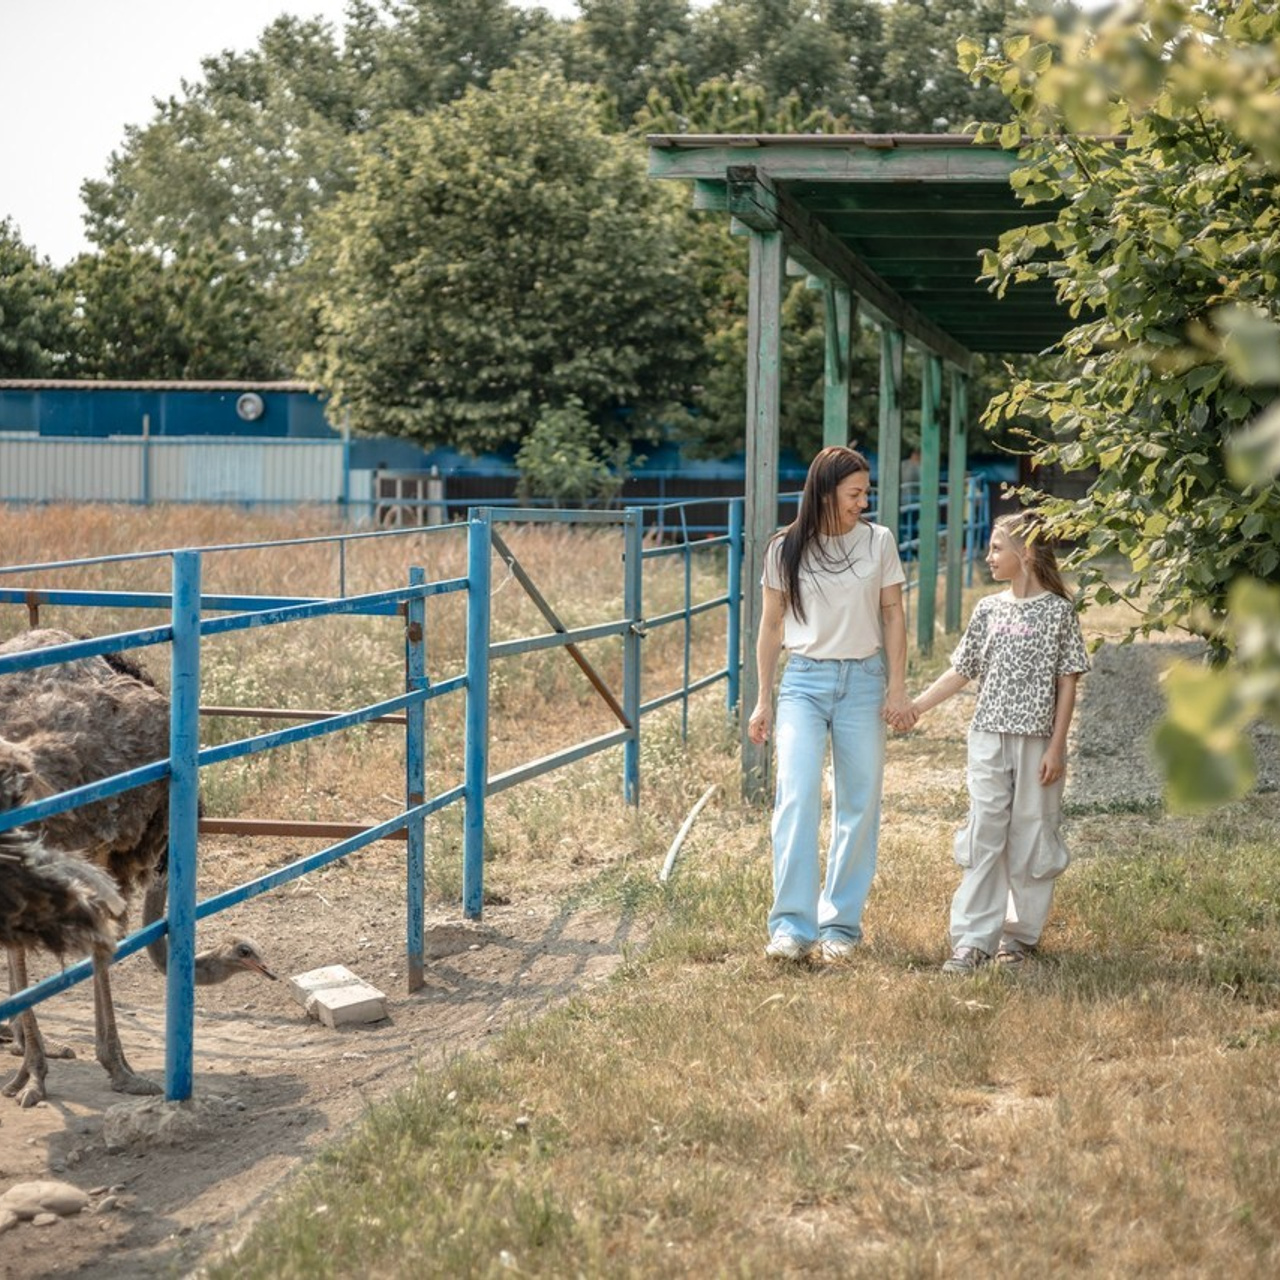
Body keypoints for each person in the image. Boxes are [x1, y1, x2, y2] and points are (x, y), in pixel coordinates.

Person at [748, 446, 915, 964]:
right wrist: (762, 701)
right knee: (796, 798)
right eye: (854, 494)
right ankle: (791, 929)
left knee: (858, 804)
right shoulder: (784, 549)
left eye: (866, 492)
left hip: (863, 681)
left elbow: (893, 615)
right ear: (824, 493)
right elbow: (771, 627)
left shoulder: (879, 541)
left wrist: (897, 687)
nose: (863, 503)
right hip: (803, 682)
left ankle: (840, 925)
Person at [909, 511, 1090, 973]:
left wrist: (1056, 746)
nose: (988, 557)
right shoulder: (988, 609)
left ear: (1025, 552)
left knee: (1032, 833)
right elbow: (962, 669)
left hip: (1038, 743)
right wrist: (915, 707)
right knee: (985, 832)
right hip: (988, 737)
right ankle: (973, 940)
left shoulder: (1058, 612)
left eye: (995, 548)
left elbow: (1067, 682)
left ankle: (1019, 936)